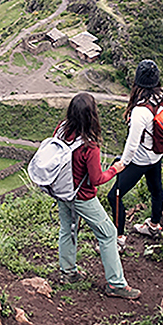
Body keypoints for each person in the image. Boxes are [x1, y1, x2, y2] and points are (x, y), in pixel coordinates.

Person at [55, 92, 141, 300]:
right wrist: (114, 170)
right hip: (82, 196)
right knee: (108, 233)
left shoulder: (61, 129)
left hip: (62, 190)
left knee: (67, 228)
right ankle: (116, 283)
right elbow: (96, 179)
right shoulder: (89, 145)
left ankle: (68, 273)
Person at [107, 59, 163, 247]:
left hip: (140, 160)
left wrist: (122, 163)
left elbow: (132, 144)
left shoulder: (140, 112)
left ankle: (119, 239)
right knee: (156, 189)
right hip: (157, 155)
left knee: (114, 195)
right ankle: (154, 225)